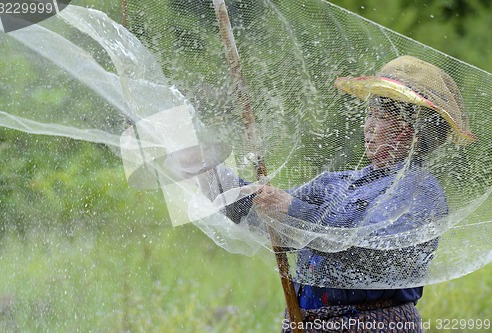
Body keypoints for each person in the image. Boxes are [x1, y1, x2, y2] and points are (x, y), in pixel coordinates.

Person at [194, 55, 475, 332]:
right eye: (369, 115)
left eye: (380, 117)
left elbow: (374, 251)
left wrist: (293, 211)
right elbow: (262, 216)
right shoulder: (335, 183)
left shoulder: (419, 192)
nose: (368, 127)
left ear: (410, 132)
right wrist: (209, 174)